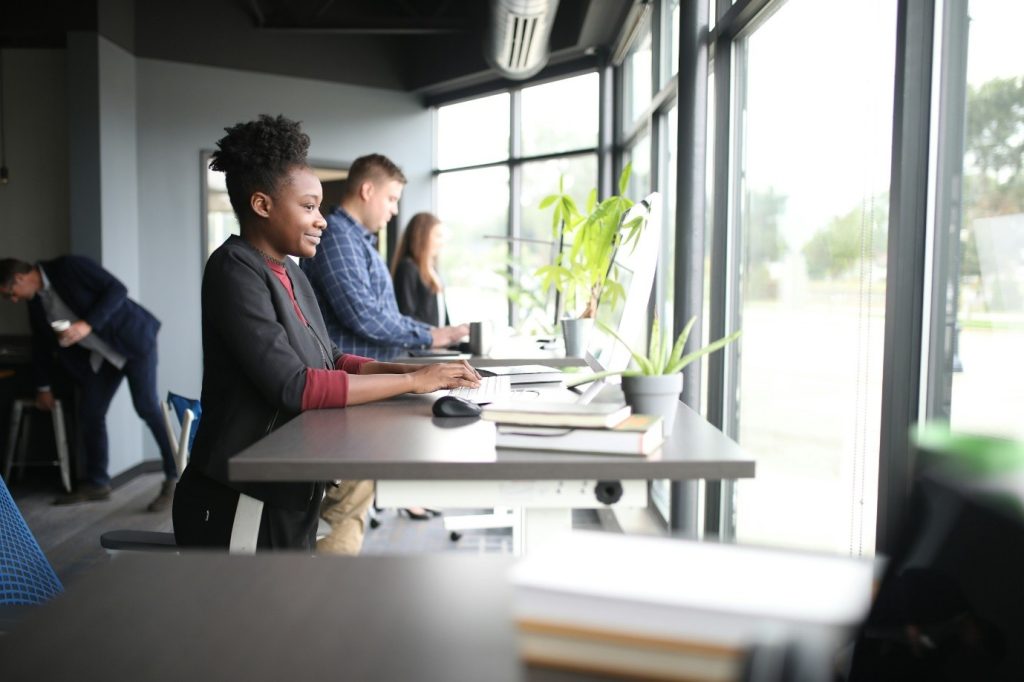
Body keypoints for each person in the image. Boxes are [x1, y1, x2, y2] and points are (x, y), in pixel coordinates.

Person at [172, 114, 479, 551]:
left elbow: (331, 358)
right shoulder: (234, 268)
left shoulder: (291, 272)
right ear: (262, 205)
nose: (322, 221)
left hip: (286, 482)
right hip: (240, 493)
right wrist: (412, 381)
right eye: (309, 207)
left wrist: (416, 375)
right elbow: (295, 386)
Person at [300, 155, 468, 548]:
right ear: (367, 190)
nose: (394, 211)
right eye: (391, 199)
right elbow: (362, 314)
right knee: (345, 509)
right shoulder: (339, 239)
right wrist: (430, 336)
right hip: (349, 392)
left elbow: (377, 315)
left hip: (360, 386)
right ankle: (324, 586)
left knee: (352, 505)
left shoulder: (358, 241)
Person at [0, 256, 179, 511]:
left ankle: (176, 477)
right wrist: (43, 387)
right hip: (101, 356)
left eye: (10, 294)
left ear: (19, 278)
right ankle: (97, 484)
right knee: (90, 412)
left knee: (147, 407)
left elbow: (117, 289)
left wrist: (86, 325)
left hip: (133, 341)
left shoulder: (67, 267)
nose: (13, 300)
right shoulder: (36, 303)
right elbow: (41, 346)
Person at [391, 211, 450, 327]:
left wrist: (450, 333)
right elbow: (406, 314)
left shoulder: (432, 269)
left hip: (435, 337)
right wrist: (434, 333)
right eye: (438, 236)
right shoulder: (408, 268)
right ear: (422, 236)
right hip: (422, 338)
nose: (442, 242)